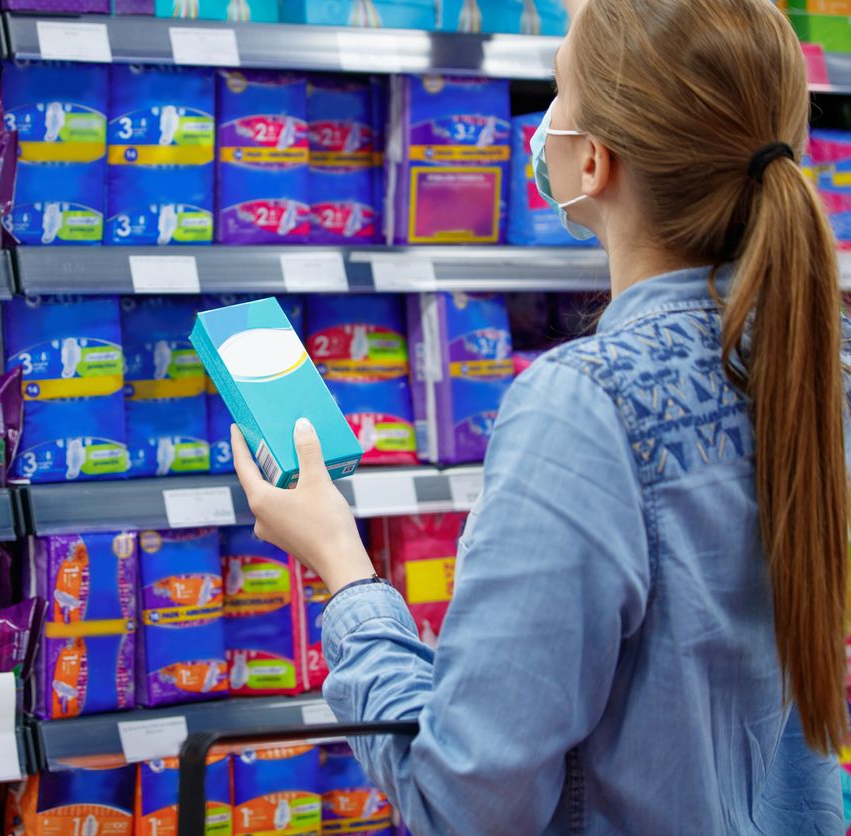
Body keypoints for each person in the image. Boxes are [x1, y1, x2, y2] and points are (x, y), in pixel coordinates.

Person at [229, 0, 850, 831]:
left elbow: (466, 804)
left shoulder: (585, 406)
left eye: (555, 88)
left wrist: (341, 565)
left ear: (591, 161)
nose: (542, 118)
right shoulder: (819, 358)